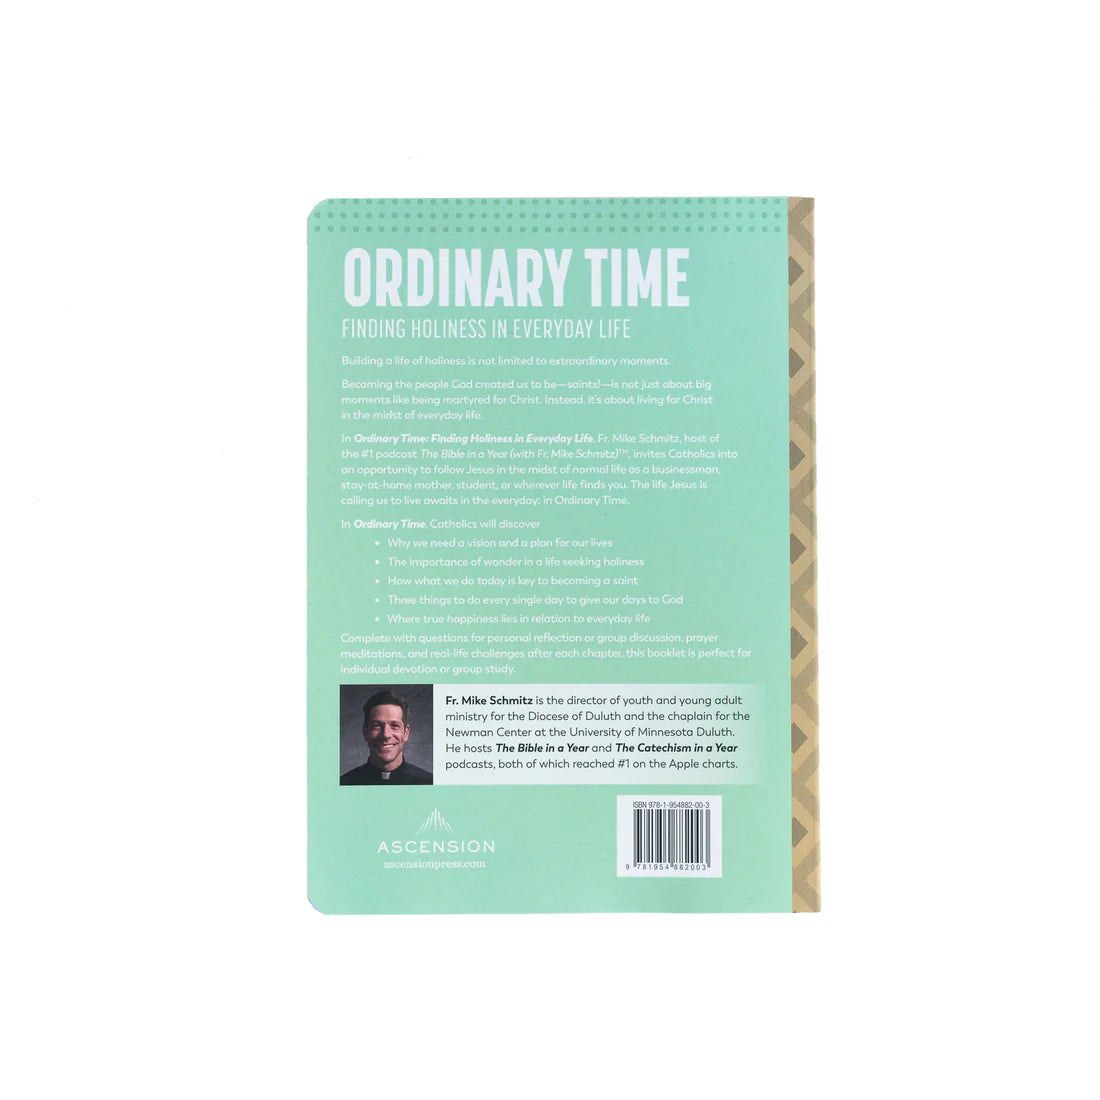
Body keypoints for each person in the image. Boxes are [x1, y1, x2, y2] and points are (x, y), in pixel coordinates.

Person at [340, 689, 432, 785]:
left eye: (394, 725)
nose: (386, 735)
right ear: (365, 732)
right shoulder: (344, 783)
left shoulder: (429, 783)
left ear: (406, 733)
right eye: (377, 726)